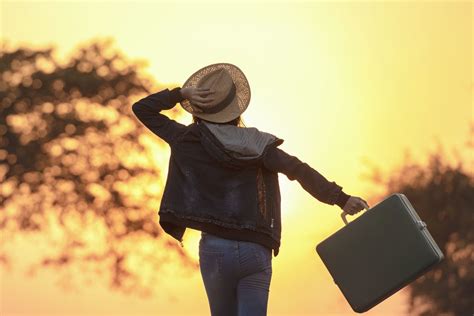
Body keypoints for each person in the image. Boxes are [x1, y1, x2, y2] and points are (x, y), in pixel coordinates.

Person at [131, 63, 370, 316]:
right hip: (255, 249)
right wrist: (342, 199)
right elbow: (298, 169)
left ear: (198, 109)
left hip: (215, 249)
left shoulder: (186, 139)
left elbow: (142, 109)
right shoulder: (259, 145)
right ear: (234, 108)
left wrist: (180, 94)